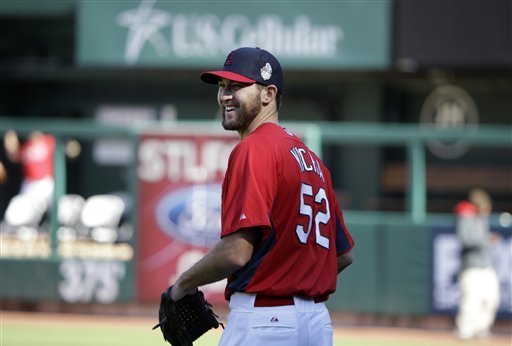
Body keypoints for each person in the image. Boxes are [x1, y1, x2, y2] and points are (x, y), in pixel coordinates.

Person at [168, 47, 354, 346]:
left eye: (237, 86)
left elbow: (236, 252)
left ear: (268, 94)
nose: (225, 95)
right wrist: (296, 280)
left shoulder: (255, 148)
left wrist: (183, 284)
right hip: (317, 325)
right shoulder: (312, 161)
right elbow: (343, 254)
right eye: (222, 86)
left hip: (265, 322)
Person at [454, 188, 500, 340]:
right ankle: (464, 332)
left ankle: (481, 329)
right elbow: (466, 239)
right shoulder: (467, 217)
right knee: (471, 301)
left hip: (485, 266)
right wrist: (485, 241)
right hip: (471, 267)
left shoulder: (482, 219)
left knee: (492, 299)